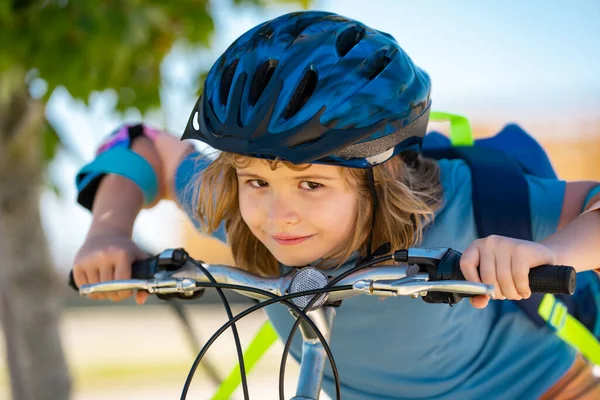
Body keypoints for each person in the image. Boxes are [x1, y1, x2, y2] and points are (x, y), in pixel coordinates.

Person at [72, 11, 600, 399]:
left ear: (379, 178)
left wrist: (552, 251)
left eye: (312, 185)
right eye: (255, 181)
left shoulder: (467, 205)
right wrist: (109, 230)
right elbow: (137, 140)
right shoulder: (237, 213)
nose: (277, 218)